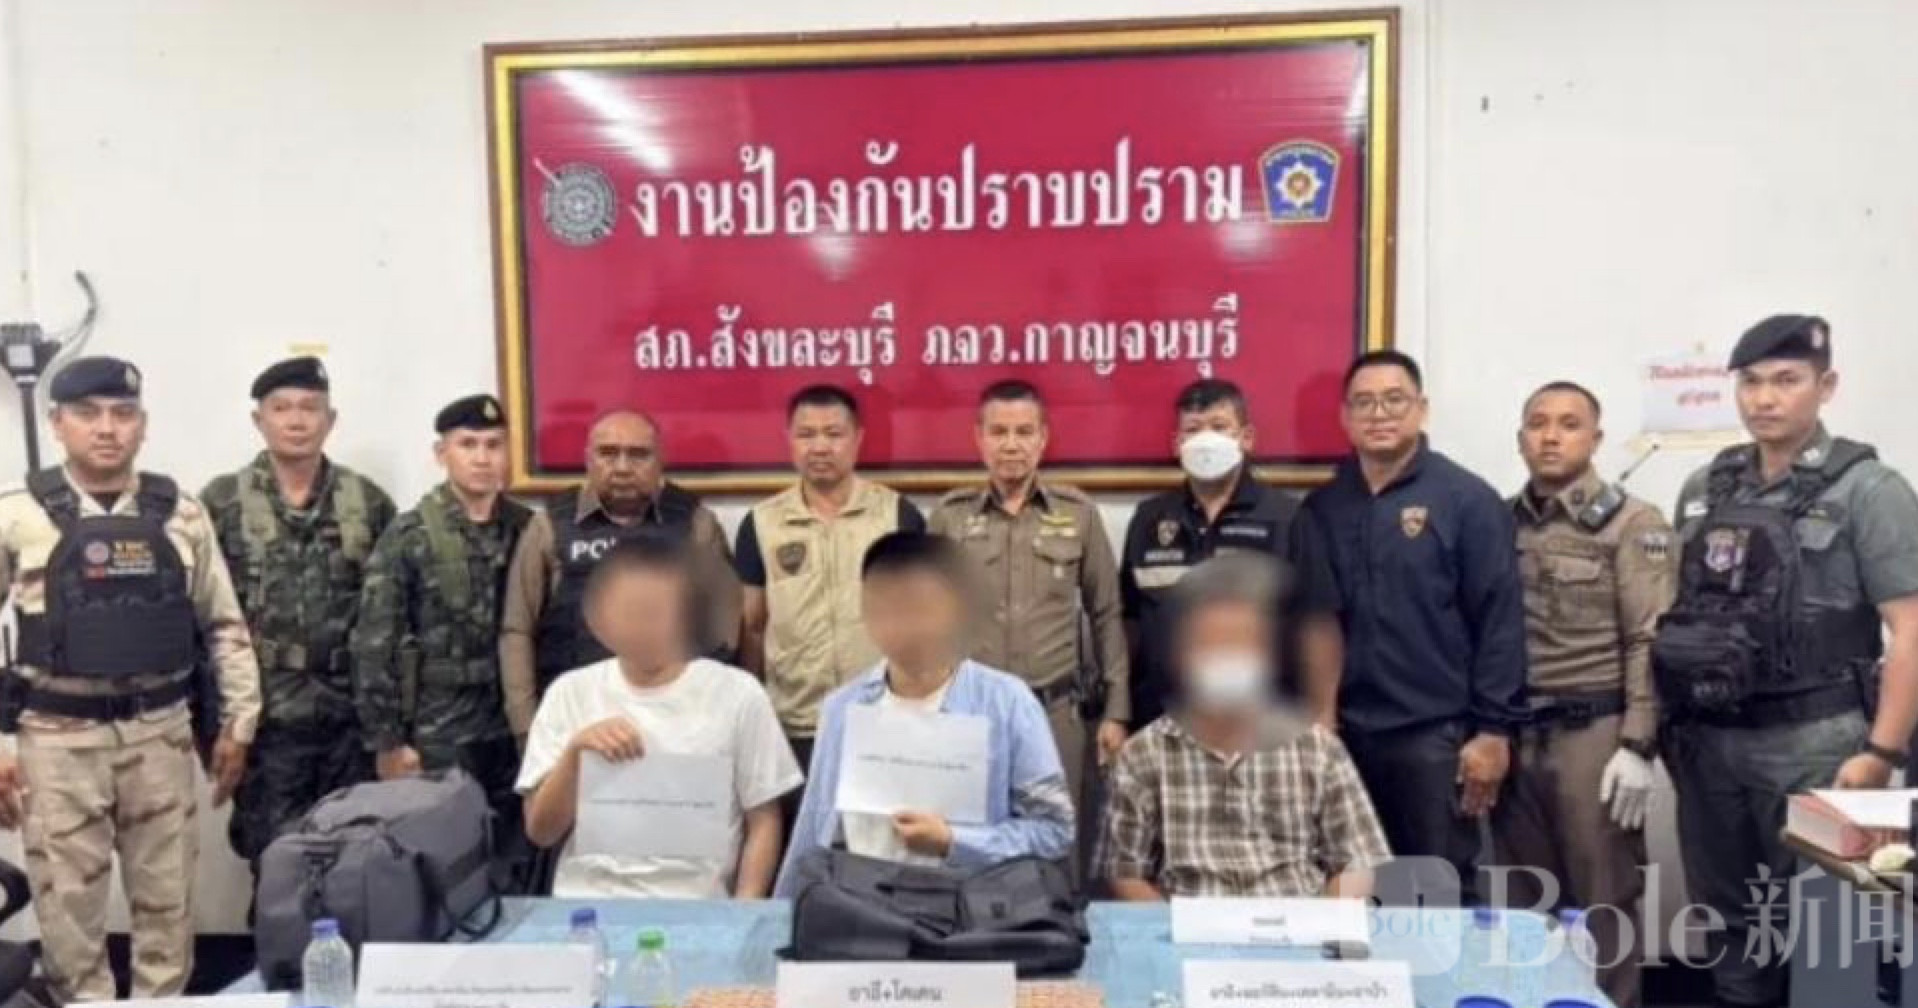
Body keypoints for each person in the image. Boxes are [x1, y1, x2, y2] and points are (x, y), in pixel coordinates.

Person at [1657, 315, 1918, 1008]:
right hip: (1711, 746)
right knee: (1732, 927)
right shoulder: (1706, 488)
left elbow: (1911, 631)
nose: (1764, 398)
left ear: (1825, 387)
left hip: (1819, 744)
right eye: (1750, 382)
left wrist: (1881, 752)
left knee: (1833, 937)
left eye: (1786, 380)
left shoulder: (1869, 490)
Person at [0, 357, 262, 1001]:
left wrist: (239, 722)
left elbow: (222, 622)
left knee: (168, 909)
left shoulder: (181, 513)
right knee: (69, 919)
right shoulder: (15, 513)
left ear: (142, 425)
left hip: (159, 735)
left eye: (123, 414)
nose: (107, 428)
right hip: (56, 743)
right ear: (57, 423)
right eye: (88, 414)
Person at [1302, 350, 1527, 905]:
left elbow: (1500, 621)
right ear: (1345, 416)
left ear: (1421, 409)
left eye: (1394, 400)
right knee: (1352, 891)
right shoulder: (1324, 507)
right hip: (1347, 737)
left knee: (1437, 893)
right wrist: (1321, 722)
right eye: (1364, 402)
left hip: (1434, 737)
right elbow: (1316, 622)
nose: (1379, 413)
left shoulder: (1466, 500)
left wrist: (1493, 731)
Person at [1495, 381, 1673, 1008]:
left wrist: (1638, 743)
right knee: (1522, 905)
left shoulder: (1634, 523)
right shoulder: (1498, 521)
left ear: (1595, 439)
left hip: (1595, 737)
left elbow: (1649, 636)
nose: (1551, 436)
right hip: (1517, 734)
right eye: (1538, 423)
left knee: (1605, 903)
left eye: (1569, 424)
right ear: (1520, 438)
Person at [773, 531, 1072, 896]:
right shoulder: (843, 708)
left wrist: (953, 841)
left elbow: (1054, 831)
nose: (900, 626)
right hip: (861, 906)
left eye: (918, 608)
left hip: (970, 909)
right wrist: (783, 913)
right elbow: (811, 832)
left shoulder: (1007, 702)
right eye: (882, 608)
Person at [517, 535, 800, 898]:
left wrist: (744, 912)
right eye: (628, 611)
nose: (642, 626)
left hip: (699, 907)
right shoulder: (570, 693)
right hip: (588, 903)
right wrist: (575, 755)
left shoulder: (738, 694)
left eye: (657, 611)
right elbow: (541, 832)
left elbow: (763, 820)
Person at [1100, 553, 1390, 900]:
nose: (1228, 657)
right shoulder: (1143, 755)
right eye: (1212, 645)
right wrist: (1167, 926)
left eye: (1242, 644)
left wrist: (1325, 920)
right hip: (1192, 921)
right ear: (1181, 656)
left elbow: (1358, 860)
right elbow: (1125, 872)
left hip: (1296, 916)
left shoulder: (1317, 749)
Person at [201, 356, 397, 865]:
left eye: (310, 408)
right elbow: (201, 618)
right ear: (258, 419)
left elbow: (394, 617)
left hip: (350, 719)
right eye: (282, 408)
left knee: (355, 855)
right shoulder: (221, 503)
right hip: (268, 723)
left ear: (330, 420)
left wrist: (391, 726)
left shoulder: (368, 502)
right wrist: (219, 726)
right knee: (276, 858)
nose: (296, 420)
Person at [351, 394, 534, 886]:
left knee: (514, 860)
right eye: (467, 444)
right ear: (441, 454)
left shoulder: (527, 530)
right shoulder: (411, 534)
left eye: (494, 445)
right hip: (437, 732)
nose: (482, 457)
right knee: (442, 862)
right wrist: (388, 741)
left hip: (512, 727)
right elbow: (375, 643)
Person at [928, 380, 1128, 826]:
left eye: (1024, 432)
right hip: (969, 712)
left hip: (1054, 712)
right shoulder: (949, 517)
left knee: (1056, 838)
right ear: (979, 438)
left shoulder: (1078, 514)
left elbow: (1106, 613)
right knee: (969, 835)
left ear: (1043, 438)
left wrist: (1116, 712)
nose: (1011, 445)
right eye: (999, 432)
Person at [736, 385, 924, 821]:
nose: (820, 446)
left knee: (878, 845)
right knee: (801, 847)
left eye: (833, 434)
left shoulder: (898, 516)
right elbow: (753, 627)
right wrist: (757, 714)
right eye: (806, 434)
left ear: (858, 438)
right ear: (789, 440)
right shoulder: (762, 523)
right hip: (794, 724)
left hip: (882, 719)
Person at [500, 408, 739, 745]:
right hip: (575, 721)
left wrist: (717, 719)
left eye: (638, 455)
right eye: (608, 454)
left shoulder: (695, 524)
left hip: (678, 724)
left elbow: (723, 628)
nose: (623, 467)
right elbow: (517, 630)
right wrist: (527, 727)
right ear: (588, 459)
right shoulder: (549, 527)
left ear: (661, 460)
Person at [1122, 379, 1343, 728]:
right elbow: (1129, 624)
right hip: (1164, 721)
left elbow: (1318, 627)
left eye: (1219, 426)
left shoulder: (1287, 518)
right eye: (1193, 429)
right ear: (1177, 444)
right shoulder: (1150, 519)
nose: (1206, 439)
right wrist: (1118, 715)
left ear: (1247, 438)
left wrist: (1323, 720)